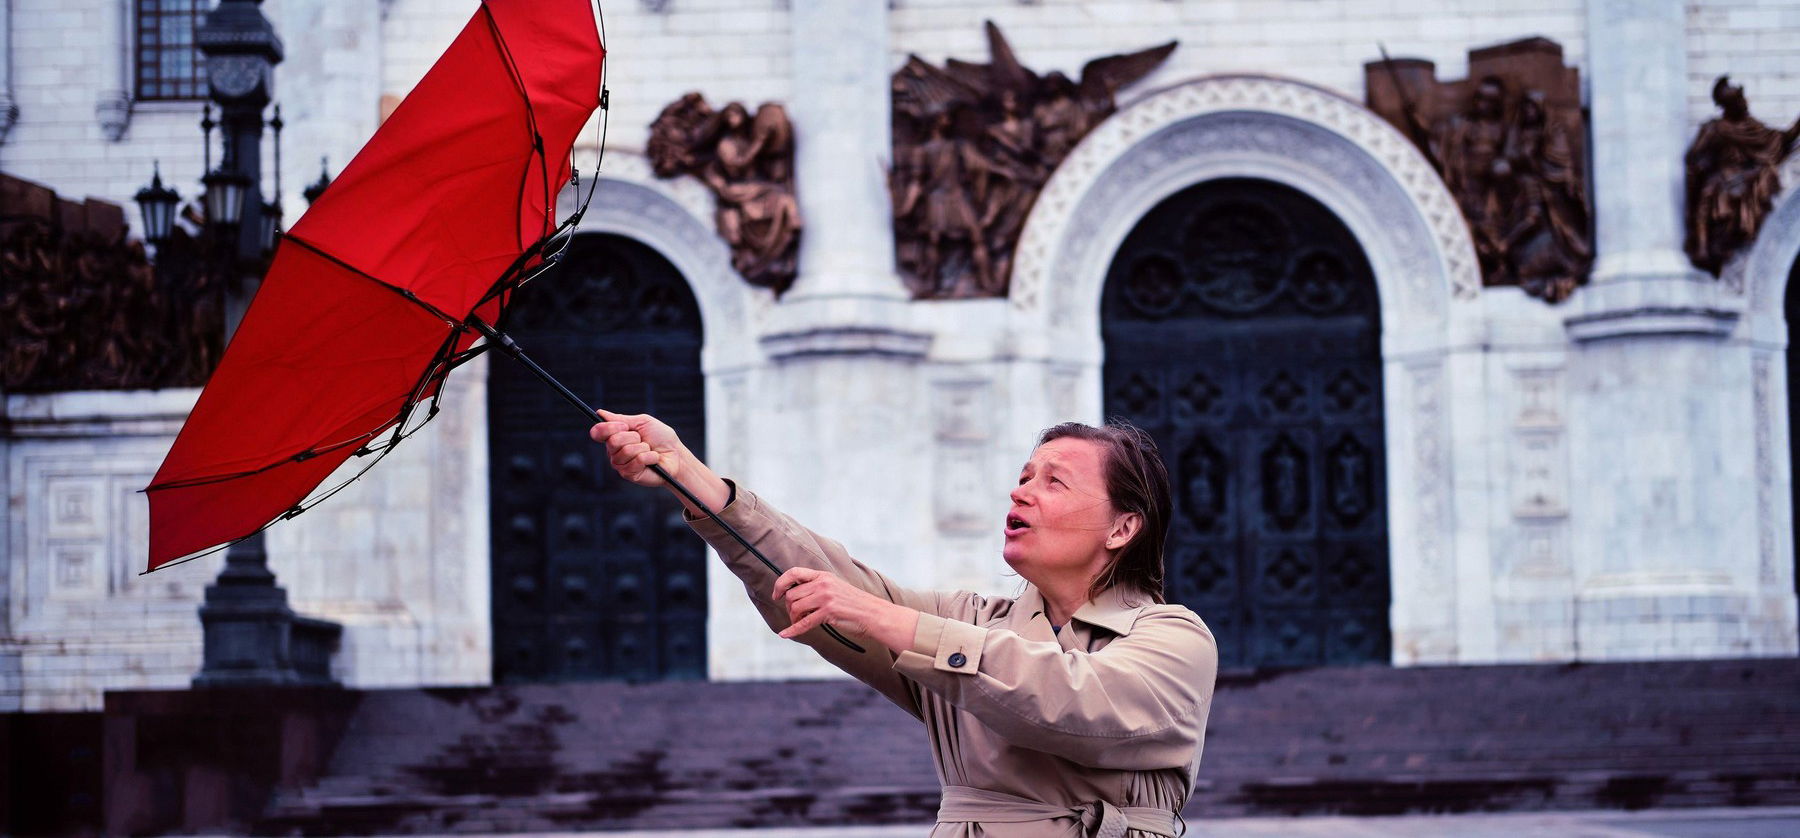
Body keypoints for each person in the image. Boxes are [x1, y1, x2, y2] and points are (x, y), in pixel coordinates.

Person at [590, 410, 1219, 837]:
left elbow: (1078, 705)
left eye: (1053, 482)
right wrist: (690, 477)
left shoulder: (1172, 638)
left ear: (1123, 527)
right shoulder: (969, 621)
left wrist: (884, 616)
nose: (1020, 493)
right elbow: (814, 575)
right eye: (1023, 477)